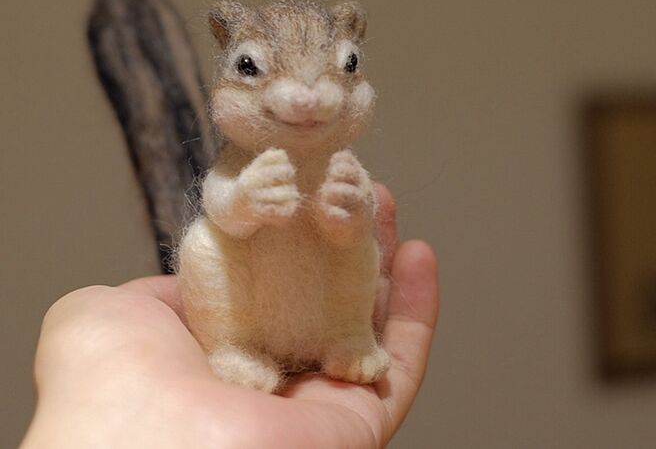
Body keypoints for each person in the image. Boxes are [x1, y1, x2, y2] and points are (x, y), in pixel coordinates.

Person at [20, 187, 438, 448]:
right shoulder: (236, 170)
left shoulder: (339, 171)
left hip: (323, 316)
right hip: (251, 316)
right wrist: (244, 199)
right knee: (203, 244)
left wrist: (347, 211)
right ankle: (236, 345)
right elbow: (222, 206)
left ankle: (347, 335)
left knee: (359, 247)